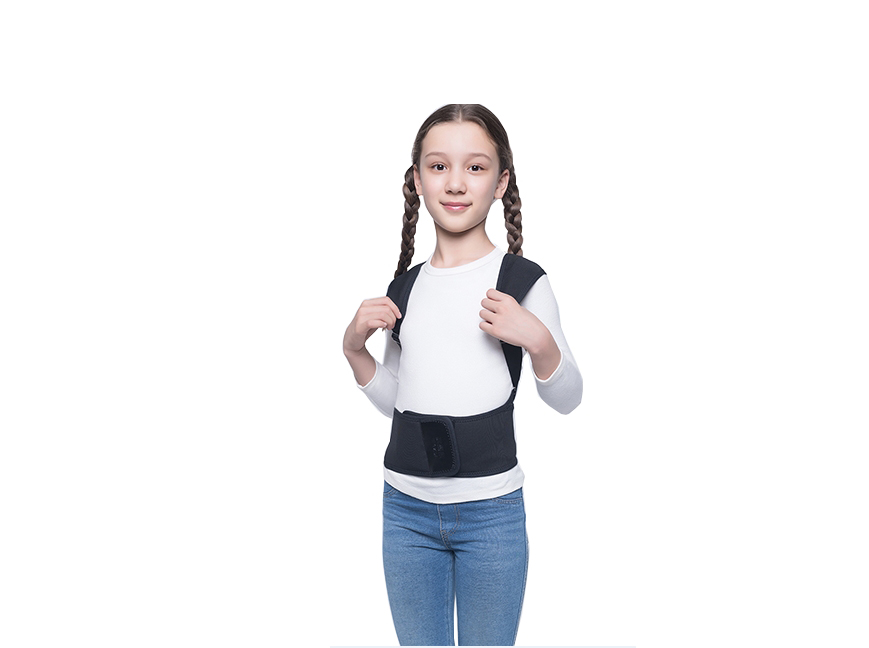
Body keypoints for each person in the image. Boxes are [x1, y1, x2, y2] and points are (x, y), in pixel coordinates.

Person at [342, 104, 583, 646]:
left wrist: (539, 341)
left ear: (501, 183)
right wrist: (355, 351)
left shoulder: (521, 281)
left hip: (490, 514)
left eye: (475, 167)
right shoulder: (405, 287)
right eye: (438, 166)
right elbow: (402, 401)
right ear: (417, 180)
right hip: (405, 511)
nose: (455, 183)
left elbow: (569, 398)